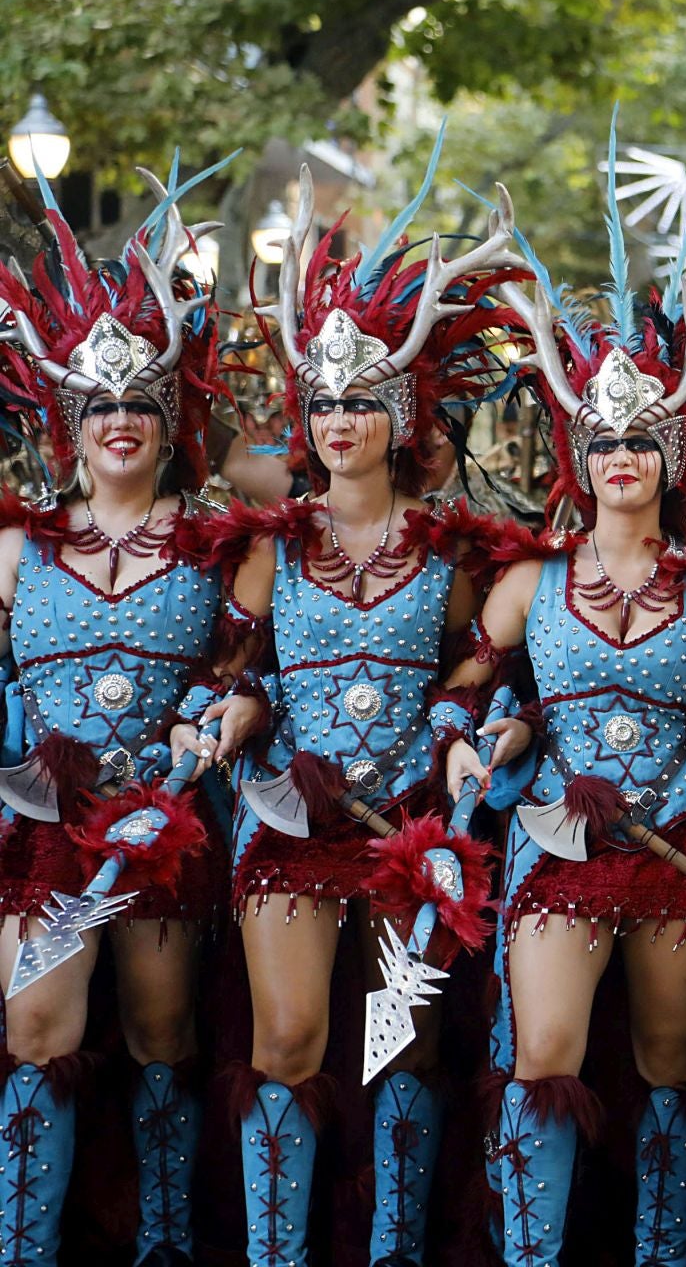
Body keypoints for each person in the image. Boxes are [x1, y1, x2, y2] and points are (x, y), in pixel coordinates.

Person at [188, 162, 517, 1267]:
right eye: (321, 402)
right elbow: (235, 662)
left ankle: (390, 1248)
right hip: (292, 810)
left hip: (411, 829)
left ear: (400, 415)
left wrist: (454, 723)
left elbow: (477, 665)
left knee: (403, 1047)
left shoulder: (449, 546)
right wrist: (235, 713)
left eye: (360, 402)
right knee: (287, 1037)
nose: (338, 420)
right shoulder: (275, 542)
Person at [443, 173, 686, 1267]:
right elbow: (478, 683)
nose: (621, 456)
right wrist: (488, 735)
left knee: (673, 1058)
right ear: (580, 459)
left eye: (641, 440)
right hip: (555, 832)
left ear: (671, 458)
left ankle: (665, 1250)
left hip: (682, 836)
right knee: (545, 1050)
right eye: (603, 441)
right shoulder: (530, 575)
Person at [0, 167, 232, 1264]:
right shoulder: (17, 545)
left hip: (166, 820)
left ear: (169, 413)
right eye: (100, 407)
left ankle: (164, 1237)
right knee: (36, 1026)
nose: (122, 422)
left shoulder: (222, 537)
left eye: (141, 402)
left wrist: (216, 714)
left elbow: (258, 663)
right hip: (42, 826)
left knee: (159, 1031)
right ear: (69, 423)